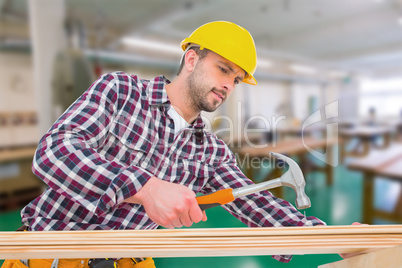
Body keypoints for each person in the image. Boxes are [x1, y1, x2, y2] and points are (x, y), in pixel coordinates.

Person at [3, 21, 326, 268]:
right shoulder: (121, 92)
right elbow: (54, 152)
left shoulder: (209, 151)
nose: (228, 84)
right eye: (223, 69)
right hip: (53, 255)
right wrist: (145, 188)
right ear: (191, 59)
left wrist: (326, 237)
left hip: (129, 261)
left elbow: (256, 205)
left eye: (237, 79)